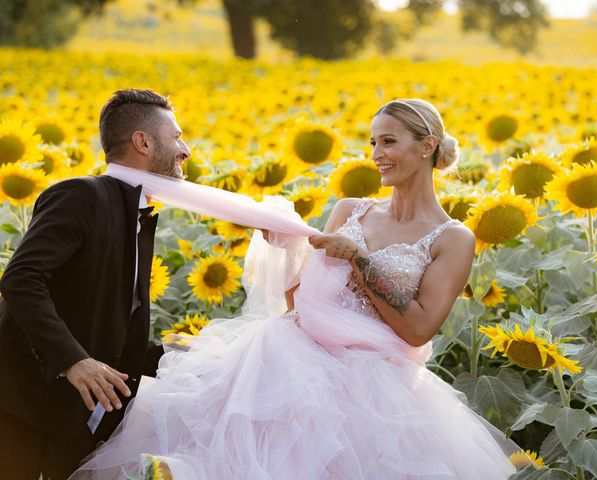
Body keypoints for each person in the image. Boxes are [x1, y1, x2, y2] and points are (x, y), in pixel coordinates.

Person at [71, 99, 520, 479]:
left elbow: (419, 329)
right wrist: (287, 251)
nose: (376, 154)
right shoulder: (351, 209)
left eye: (389, 141)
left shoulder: (452, 237)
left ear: (427, 146)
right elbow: (301, 299)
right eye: (373, 142)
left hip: (375, 386)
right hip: (293, 361)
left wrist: (359, 260)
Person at [0, 88, 191, 479]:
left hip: (72, 423)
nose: (185, 150)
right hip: (17, 406)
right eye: (177, 137)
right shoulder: (81, 195)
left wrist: (191, 358)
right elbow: (21, 278)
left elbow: (108, 325)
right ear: (142, 141)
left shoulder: (136, 216)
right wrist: (73, 360)